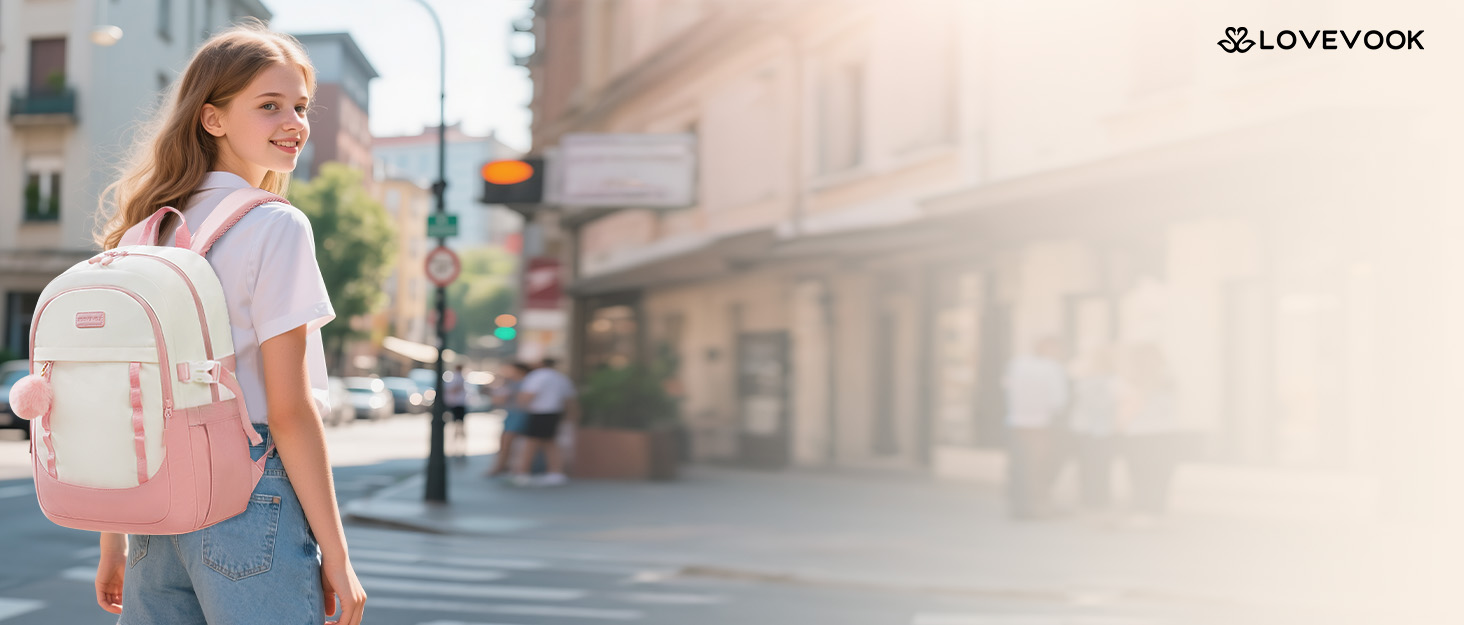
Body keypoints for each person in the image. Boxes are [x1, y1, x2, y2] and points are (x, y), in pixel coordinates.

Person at [90, 21, 365, 624]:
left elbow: (121, 398)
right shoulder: (275, 226)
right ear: (212, 118)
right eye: (269, 106)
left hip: (153, 512)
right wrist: (338, 555)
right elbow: (290, 410)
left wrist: (113, 541)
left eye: (299, 105)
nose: (294, 122)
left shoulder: (144, 233)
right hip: (248, 494)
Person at [1115, 342, 1184, 527]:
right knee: (1152, 472)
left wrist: (1120, 424)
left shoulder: (1162, 380)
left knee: (1148, 472)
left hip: (1147, 433)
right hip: (1157, 433)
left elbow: (1127, 409)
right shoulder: (1136, 380)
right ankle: (1149, 510)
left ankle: (1148, 511)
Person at [1002, 336, 1069, 520]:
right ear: (1050, 348)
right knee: (1038, 466)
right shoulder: (1053, 368)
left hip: (1016, 422)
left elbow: (1007, 388)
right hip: (1041, 425)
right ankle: (1036, 505)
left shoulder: (1016, 363)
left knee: (1018, 465)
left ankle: (1018, 506)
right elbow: (1058, 402)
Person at [1069, 345, 1119, 516]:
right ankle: (1099, 501)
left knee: (1088, 467)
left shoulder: (1084, 380)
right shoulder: (1111, 381)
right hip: (1101, 430)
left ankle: (1090, 501)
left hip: (1086, 430)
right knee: (1100, 467)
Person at [514, 359, 579, 486]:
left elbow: (528, 395)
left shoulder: (537, 376)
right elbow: (569, 400)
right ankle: (555, 472)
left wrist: (520, 405)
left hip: (539, 413)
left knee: (531, 443)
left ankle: (523, 473)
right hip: (554, 413)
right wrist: (571, 417)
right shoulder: (561, 378)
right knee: (550, 443)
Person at [486, 362, 533, 477]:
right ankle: (504, 465)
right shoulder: (513, 383)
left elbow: (500, 399)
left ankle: (503, 466)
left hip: (518, 414)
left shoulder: (524, 383)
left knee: (509, 441)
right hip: (513, 413)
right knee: (506, 441)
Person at [445, 364, 469, 458]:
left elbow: (455, 389)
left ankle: (458, 443)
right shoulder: (457, 377)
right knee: (458, 424)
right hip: (457, 404)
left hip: (457, 404)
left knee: (458, 424)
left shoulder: (458, 377)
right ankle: (457, 443)